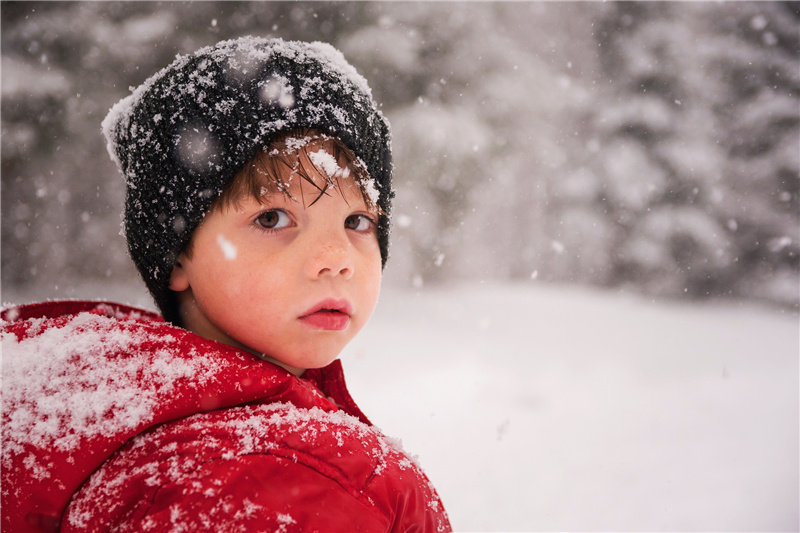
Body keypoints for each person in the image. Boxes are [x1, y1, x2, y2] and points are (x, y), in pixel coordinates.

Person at [1, 36, 451, 532]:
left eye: (358, 222)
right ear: (177, 255)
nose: (336, 260)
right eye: (273, 218)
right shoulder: (269, 481)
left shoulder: (123, 414)